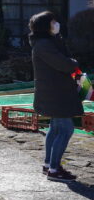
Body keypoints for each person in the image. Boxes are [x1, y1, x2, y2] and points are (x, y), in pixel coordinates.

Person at [30, 11, 83, 181]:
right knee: (66, 129)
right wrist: (74, 63)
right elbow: (65, 65)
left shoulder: (45, 42)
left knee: (55, 129)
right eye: (53, 22)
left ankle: (49, 165)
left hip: (54, 93)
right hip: (56, 94)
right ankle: (54, 169)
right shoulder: (45, 44)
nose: (56, 24)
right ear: (45, 26)